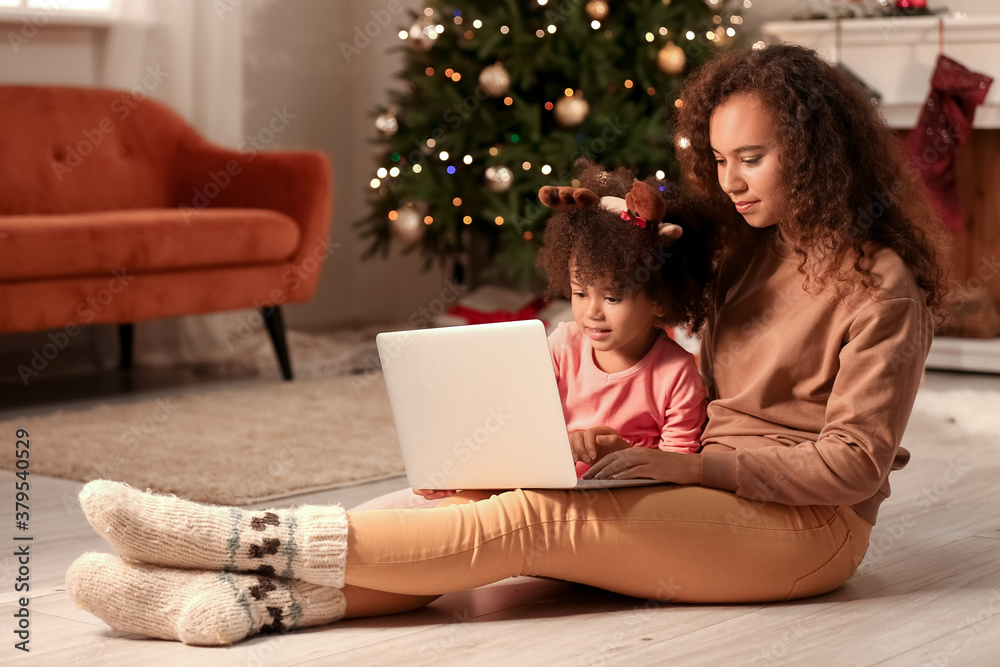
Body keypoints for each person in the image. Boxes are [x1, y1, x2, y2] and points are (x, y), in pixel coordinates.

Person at [65, 43, 950, 646]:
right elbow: (648, 270)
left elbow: (853, 467)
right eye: (718, 161)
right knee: (461, 498)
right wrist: (623, 436)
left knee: (532, 522)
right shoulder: (746, 253)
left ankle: (233, 538)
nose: (730, 181)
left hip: (806, 533)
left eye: (752, 157)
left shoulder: (882, 286)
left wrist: (690, 469)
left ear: (815, 150)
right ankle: (227, 600)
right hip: (706, 492)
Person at [416, 166, 715, 505]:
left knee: (473, 519)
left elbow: (679, 476)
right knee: (440, 502)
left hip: (618, 506)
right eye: (580, 293)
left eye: (613, 297)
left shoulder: (678, 375)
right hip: (541, 485)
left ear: (659, 301)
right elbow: (514, 421)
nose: (592, 312)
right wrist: (455, 468)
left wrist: (617, 452)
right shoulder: (562, 345)